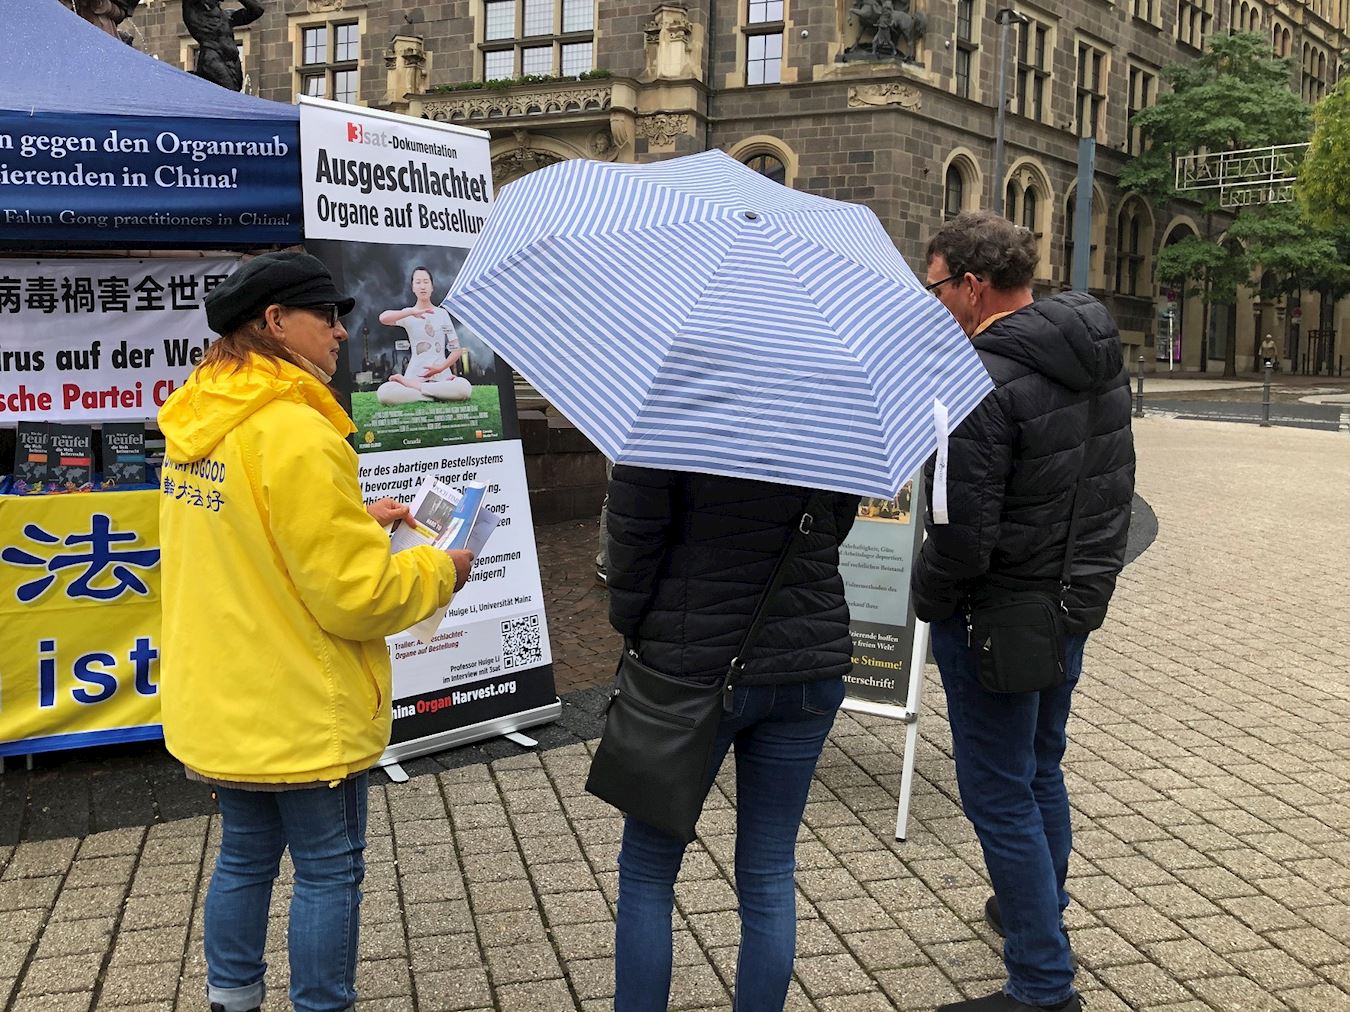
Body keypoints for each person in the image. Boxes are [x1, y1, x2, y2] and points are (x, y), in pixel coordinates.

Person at [157, 251, 474, 1012]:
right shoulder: (296, 430)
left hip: (224, 698)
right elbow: (356, 599)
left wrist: (357, 520)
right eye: (326, 316)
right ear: (274, 322)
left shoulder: (199, 416)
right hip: (301, 705)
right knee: (329, 869)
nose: (339, 332)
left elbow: (252, 534)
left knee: (244, 859)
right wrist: (442, 570)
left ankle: (232, 999)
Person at [915, 211, 1135, 1012]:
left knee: (999, 791)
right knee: (1040, 766)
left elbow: (959, 534)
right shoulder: (1097, 358)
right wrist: (1087, 593)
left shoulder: (976, 378)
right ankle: (1034, 907)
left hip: (995, 619)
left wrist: (927, 600)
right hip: (1067, 606)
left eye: (936, 286)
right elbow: (1115, 493)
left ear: (973, 286)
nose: (933, 300)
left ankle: (1042, 985)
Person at [605, 466, 859, 1012]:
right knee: (769, 870)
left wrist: (633, 625)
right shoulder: (830, 423)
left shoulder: (667, 420)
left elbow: (633, 539)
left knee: (648, 869)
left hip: (689, 669)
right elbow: (835, 522)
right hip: (806, 659)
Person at [376, 266, 472, 404]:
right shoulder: (408, 314)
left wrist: (440, 368)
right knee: (384, 392)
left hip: (442, 377)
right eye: (418, 282)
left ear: (432, 287)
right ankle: (437, 395)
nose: (422, 286)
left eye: (426, 282)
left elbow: (456, 350)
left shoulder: (442, 314)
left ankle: (422, 390)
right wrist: (410, 312)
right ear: (413, 287)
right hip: (414, 376)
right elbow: (383, 318)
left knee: (465, 388)